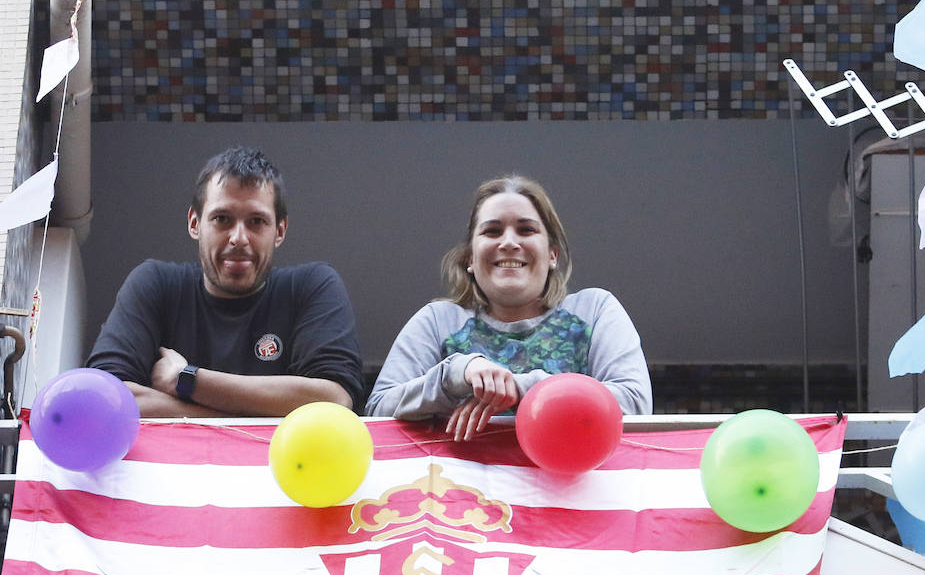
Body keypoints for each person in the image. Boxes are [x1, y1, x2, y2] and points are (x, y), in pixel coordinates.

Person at [366, 174, 651, 439]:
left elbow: (635, 404)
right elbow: (378, 413)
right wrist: (455, 374)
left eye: (526, 230)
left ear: (552, 254)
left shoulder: (594, 310)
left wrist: (520, 387)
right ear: (470, 258)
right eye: (492, 231)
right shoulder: (437, 321)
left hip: (572, 488)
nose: (509, 242)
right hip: (460, 491)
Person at [87, 146, 365, 418]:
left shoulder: (311, 286)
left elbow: (335, 399)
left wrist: (186, 380)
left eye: (257, 221)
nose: (239, 238)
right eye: (222, 219)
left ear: (279, 231)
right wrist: (255, 410)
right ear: (195, 224)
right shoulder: (155, 283)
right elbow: (104, 396)